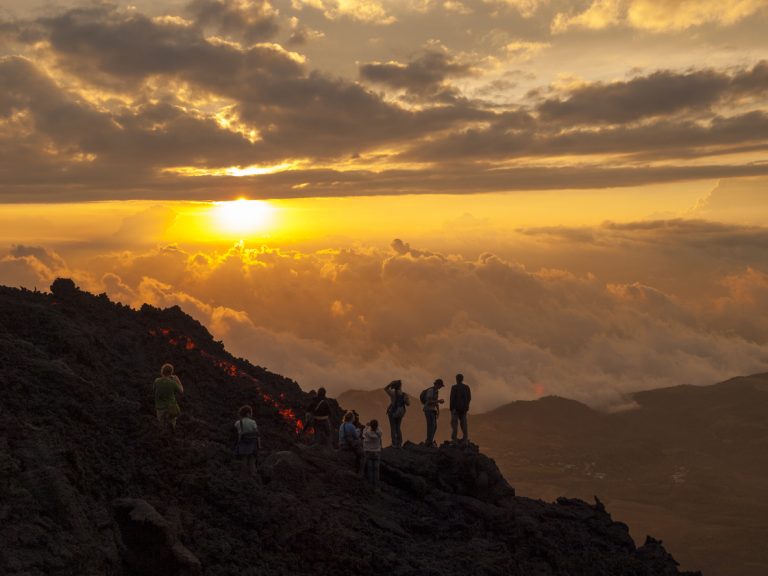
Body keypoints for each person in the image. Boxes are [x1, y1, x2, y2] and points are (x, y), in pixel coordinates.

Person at [154, 363, 183, 432]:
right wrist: (177, 380)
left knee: (161, 426)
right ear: (171, 373)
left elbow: (154, 390)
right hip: (171, 407)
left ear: (162, 371)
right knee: (172, 426)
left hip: (160, 407)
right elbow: (181, 391)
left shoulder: (157, 381)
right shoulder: (172, 383)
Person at [234, 405, 261, 477]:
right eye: (251, 413)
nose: (252, 415)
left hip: (242, 445)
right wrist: (259, 445)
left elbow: (237, 433)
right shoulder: (253, 422)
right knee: (252, 462)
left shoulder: (238, 423)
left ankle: (243, 477)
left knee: (244, 461)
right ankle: (254, 477)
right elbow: (257, 434)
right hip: (252, 445)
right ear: (248, 413)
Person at [384, 379, 409, 448]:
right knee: (398, 427)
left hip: (392, 412)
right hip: (400, 412)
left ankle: (394, 444)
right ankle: (399, 443)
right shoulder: (404, 394)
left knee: (393, 428)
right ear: (400, 386)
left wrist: (390, 384)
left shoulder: (392, 393)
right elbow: (408, 404)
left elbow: (385, 388)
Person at [449, 373, 472, 445]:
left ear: (456, 379)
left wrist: (452, 409)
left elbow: (452, 399)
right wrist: (466, 407)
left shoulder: (454, 387)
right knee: (464, 424)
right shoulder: (467, 387)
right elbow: (469, 398)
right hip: (464, 410)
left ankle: (454, 440)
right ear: (462, 379)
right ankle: (465, 439)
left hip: (455, 409)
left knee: (454, 424)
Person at [422, 378, 444, 447]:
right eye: (440, 385)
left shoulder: (436, 391)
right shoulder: (431, 391)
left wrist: (438, 411)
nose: (440, 387)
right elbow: (429, 401)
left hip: (432, 410)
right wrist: (439, 401)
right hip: (428, 410)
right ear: (437, 384)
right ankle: (429, 442)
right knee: (431, 426)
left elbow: (435, 402)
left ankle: (429, 441)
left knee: (434, 426)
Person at [362, 419, 383, 490]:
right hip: (377, 452)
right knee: (376, 470)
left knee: (370, 469)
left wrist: (367, 426)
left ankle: (370, 486)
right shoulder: (379, 433)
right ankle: (376, 486)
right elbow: (379, 429)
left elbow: (364, 432)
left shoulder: (367, 433)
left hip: (368, 452)